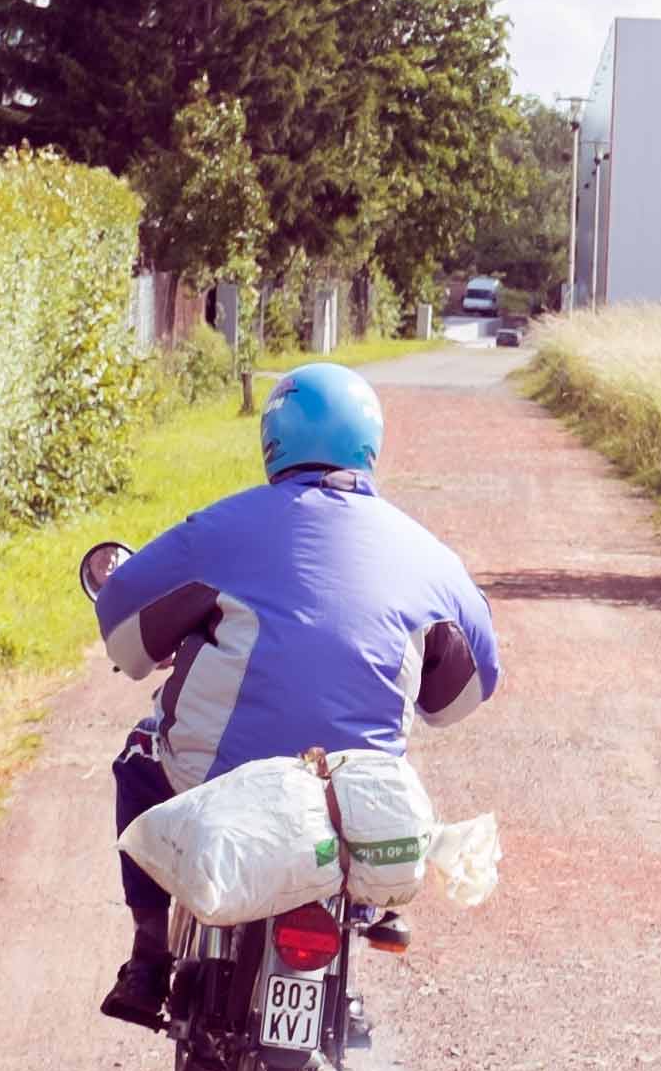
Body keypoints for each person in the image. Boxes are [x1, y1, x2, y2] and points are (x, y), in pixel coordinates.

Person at [79, 359, 501, 1030]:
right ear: (370, 442)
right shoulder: (431, 558)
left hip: (215, 776)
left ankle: (150, 954)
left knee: (138, 757)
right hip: (355, 793)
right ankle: (355, 945)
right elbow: (462, 695)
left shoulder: (218, 531)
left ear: (272, 441)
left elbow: (124, 624)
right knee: (368, 816)